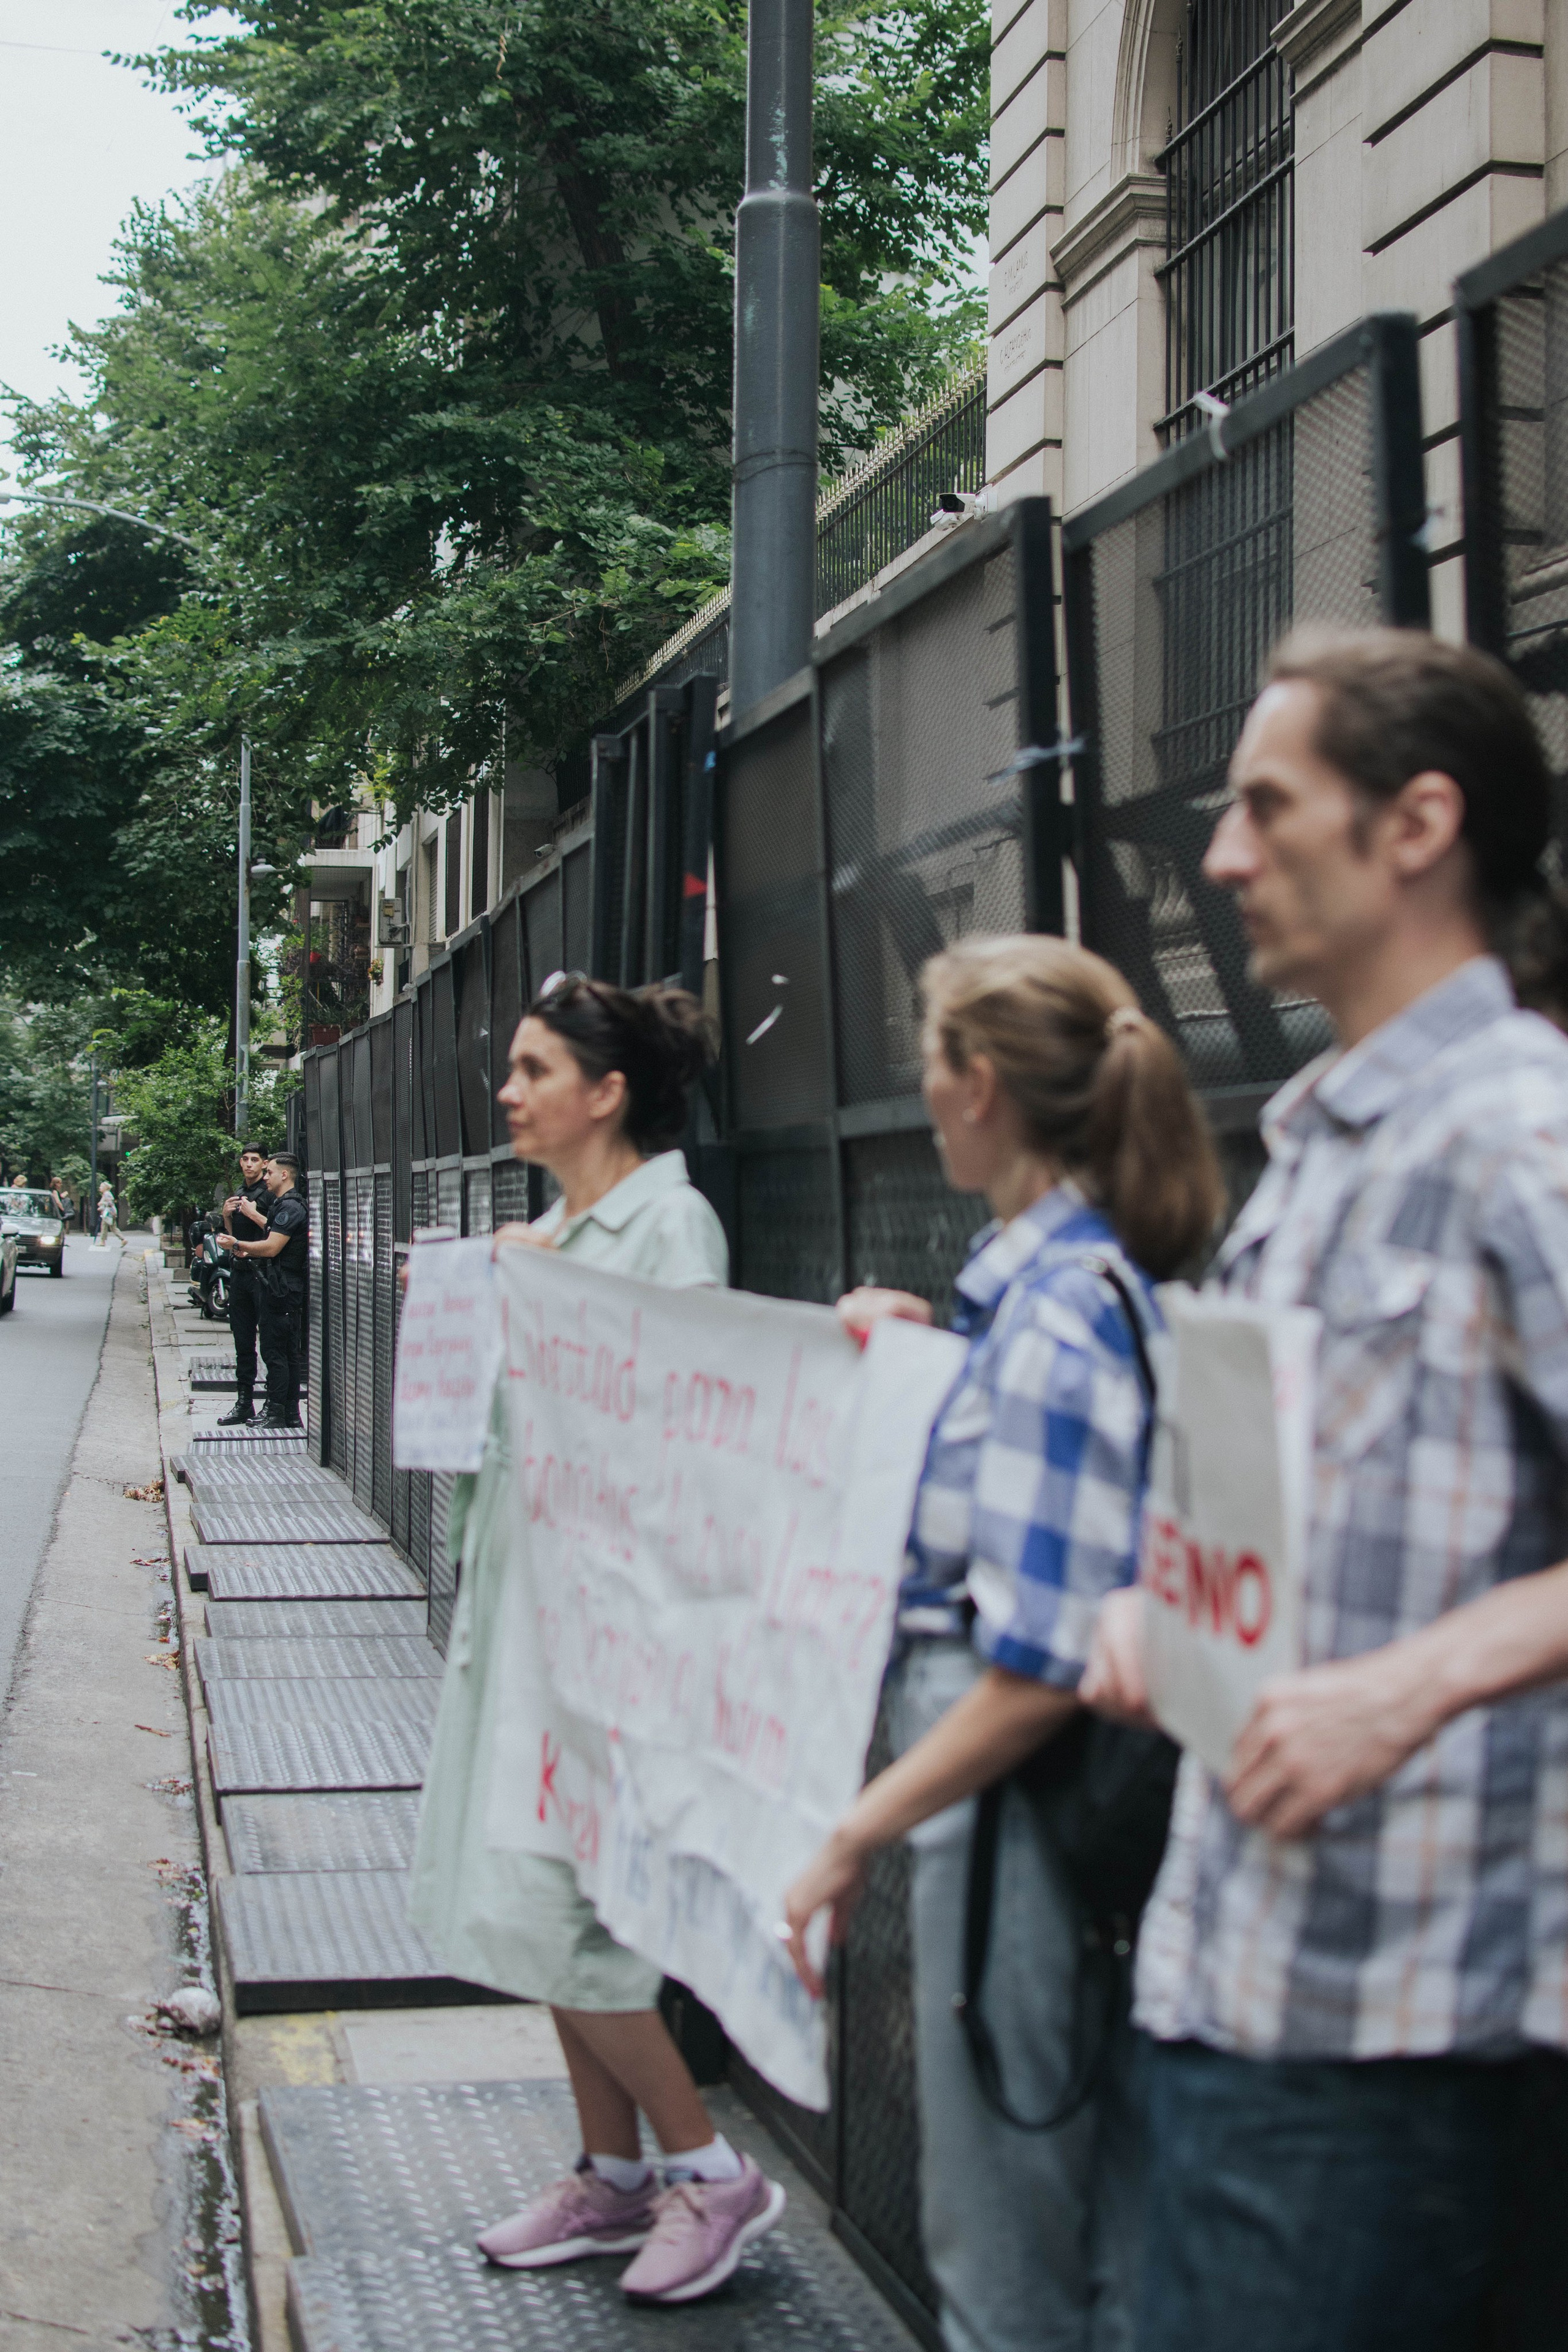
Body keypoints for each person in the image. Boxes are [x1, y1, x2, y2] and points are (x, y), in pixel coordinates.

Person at [1079, 628, 1568, 2352]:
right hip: (1245, 1984)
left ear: (1418, 823)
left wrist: (1412, 1686)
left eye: (1267, 806)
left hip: (1400, 2035)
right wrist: (1164, 1610)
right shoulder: (1320, 1148)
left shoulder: (1519, 1132)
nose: (1223, 854)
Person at [782, 935, 1223, 2352]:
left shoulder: (1053, 1319)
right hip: (1021, 1813)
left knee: (1005, 2240)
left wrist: (853, 1831)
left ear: (976, 1085)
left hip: (1010, 1812)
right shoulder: (1053, 1295)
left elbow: (1029, 1665)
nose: (920, 1094)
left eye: (927, 1062)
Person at [407, 972, 786, 2307]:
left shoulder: (664, 1228)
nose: (507, 1094)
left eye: (532, 1070)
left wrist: (537, 1300)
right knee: (529, 1902)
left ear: (606, 1092)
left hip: (608, 1639)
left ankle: (705, 2173)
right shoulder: (558, 1227)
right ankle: (611, 2178)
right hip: (525, 1616)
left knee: (578, 1914)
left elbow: (676, 1437)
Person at [227, 1153, 307, 1428]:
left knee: (276, 1351)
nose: (265, 1176)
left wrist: (240, 1245)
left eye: (270, 1172)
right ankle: (288, 1413)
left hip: (283, 1287)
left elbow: (273, 1246)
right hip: (280, 1286)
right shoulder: (283, 1205)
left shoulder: (291, 1207)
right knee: (282, 1351)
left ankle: (276, 1411)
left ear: (284, 1175)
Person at [214, 1145, 273, 1425]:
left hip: (262, 1273)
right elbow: (231, 1239)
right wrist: (227, 1216)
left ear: (264, 1164)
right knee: (243, 1340)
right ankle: (244, 1402)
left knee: (271, 1341)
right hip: (239, 1274)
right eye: (246, 1160)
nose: (249, 1165)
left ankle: (273, 1404)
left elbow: (278, 1233)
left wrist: (251, 1213)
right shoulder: (239, 1193)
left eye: (255, 1160)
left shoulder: (270, 1192)